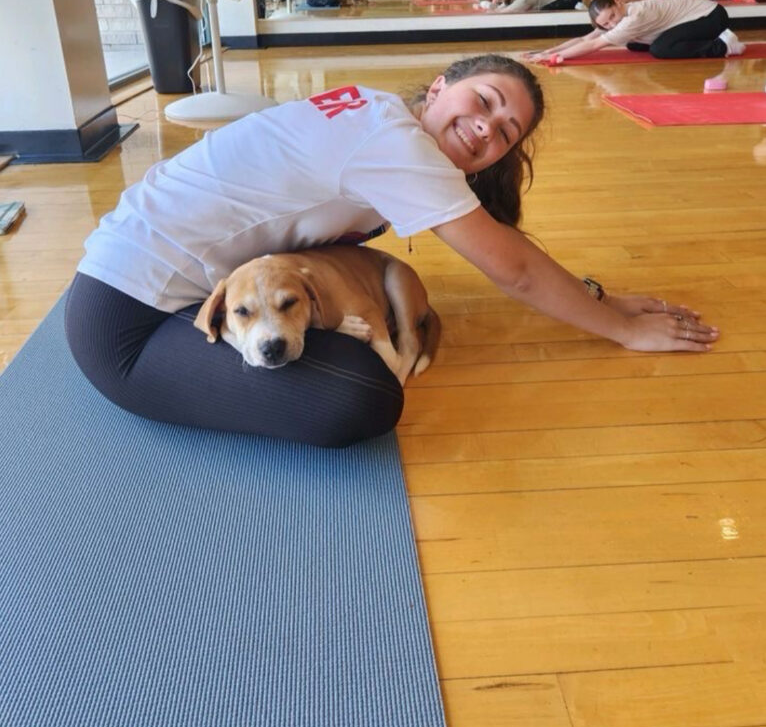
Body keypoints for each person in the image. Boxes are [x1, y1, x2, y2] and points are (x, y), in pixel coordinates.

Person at [64, 54, 718, 450]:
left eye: (506, 131)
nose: (487, 126)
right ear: (439, 88)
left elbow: (505, 247)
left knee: (349, 356)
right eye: (484, 101)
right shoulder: (395, 144)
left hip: (147, 282)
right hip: (125, 324)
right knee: (363, 399)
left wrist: (598, 299)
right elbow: (514, 271)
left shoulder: (381, 117)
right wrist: (624, 331)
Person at [525, 0, 745, 63]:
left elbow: (593, 45)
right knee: (634, 44)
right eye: (606, 24)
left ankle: (723, 45)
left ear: (617, 3)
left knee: (661, 49)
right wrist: (547, 52)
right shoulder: (620, 15)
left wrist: (554, 58)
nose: (612, 24)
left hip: (710, 16)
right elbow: (585, 38)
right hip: (694, 17)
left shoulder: (633, 17)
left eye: (612, 16)